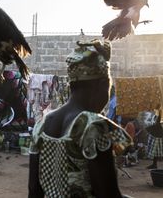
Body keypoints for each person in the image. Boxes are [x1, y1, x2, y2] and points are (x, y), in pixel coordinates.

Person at [28, 40, 132, 197]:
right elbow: (107, 194)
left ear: (71, 85)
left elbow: (34, 191)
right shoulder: (93, 126)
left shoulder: (42, 124)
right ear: (103, 84)